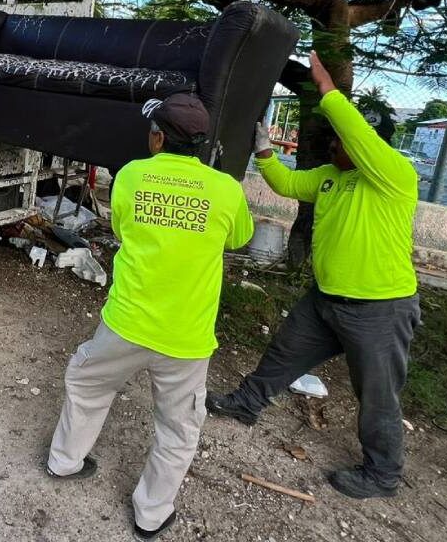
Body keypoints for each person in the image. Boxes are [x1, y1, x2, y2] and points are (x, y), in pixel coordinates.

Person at [206, 51, 420, 499]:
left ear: (365, 145)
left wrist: (329, 91)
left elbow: (357, 133)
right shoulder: (328, 177)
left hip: (379, 309)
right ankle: (246, 404)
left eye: (340, 140)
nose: (332, 145)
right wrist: (263, 150)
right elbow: (286, 185)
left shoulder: (393, 177)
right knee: (283, 352)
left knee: (378, 395)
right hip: (326, 299)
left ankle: (382, 475)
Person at [46, 93, 254, 540]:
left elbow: (121, 228)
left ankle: (65, 462)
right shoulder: (227, 189)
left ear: (158, 137)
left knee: (87, 384)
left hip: (126, 322)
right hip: (187, 336)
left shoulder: (132, 176)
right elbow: (238, 238)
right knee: (178, 429)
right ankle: (151, 514)